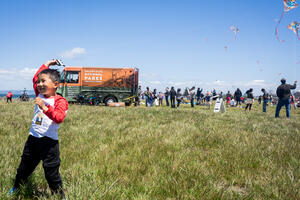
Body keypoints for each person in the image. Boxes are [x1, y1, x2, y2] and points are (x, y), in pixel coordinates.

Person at [8, 60, 68, 199]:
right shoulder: (39, 94)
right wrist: (47, 64)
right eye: (39, 82)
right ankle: (16, 187)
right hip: (33, 139)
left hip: (50, 143)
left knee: (51, 172)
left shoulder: (60, 101)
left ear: (55, 85)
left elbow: (59, 117)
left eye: (43, 81)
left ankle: (59, 195)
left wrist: (45, 108)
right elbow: (35, 77)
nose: (39, 84)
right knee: (24, 168)